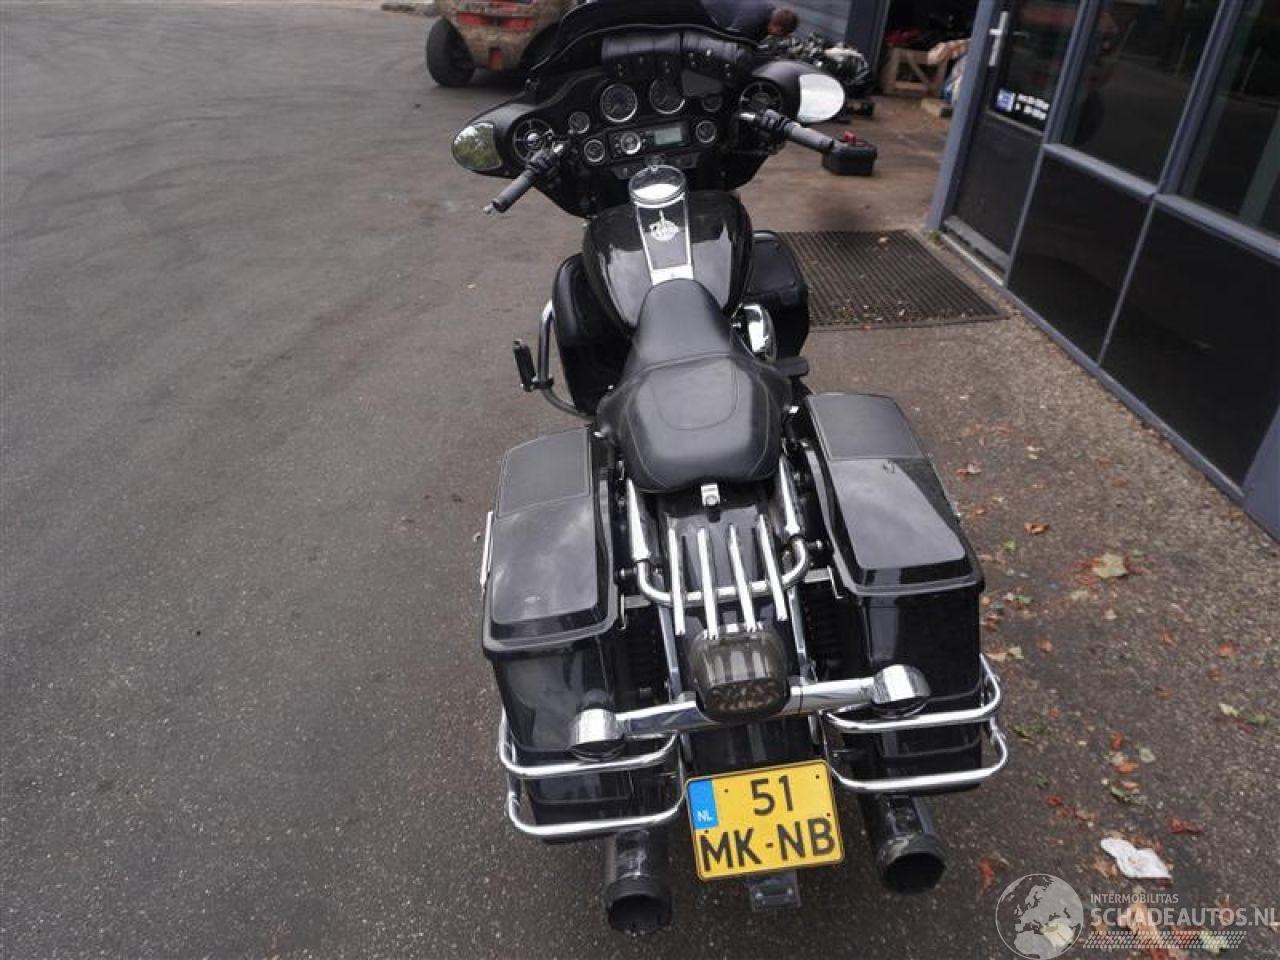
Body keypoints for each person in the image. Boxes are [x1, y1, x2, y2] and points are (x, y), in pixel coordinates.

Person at [702, 1, 798, 43]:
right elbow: (728, 37)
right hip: (708, 11)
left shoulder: (771, 15)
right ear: (778, 29)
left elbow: (754, 42)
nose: (776, 37)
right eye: (780, 35)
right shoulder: (753, 18)